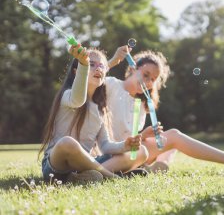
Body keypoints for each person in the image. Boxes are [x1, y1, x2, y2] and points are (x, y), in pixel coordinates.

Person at [106, 48, 224, 173]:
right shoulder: (112, 85)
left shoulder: (140, 105)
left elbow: (128, 138)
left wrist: (144, 135)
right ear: (133, 68)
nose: (148, 82)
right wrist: (113, 61)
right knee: (173, 137)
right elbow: (89, 81)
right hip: (110, 154)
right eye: (146, 74)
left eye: (153, 80)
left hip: (129, 152)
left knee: (172, 137)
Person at [38, 44, 146, 183]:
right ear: (77, 72)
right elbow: (78, 100)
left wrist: (125, 145)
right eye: (92, 64)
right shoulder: (67, 96)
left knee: (142, 151)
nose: (98, 68)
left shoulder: (100, 108)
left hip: (83, 165)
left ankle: (80, 177)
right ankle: (112, 177)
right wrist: (83, 63)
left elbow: (105, 145)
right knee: (67, 143)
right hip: (56, 166)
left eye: (101, 66)